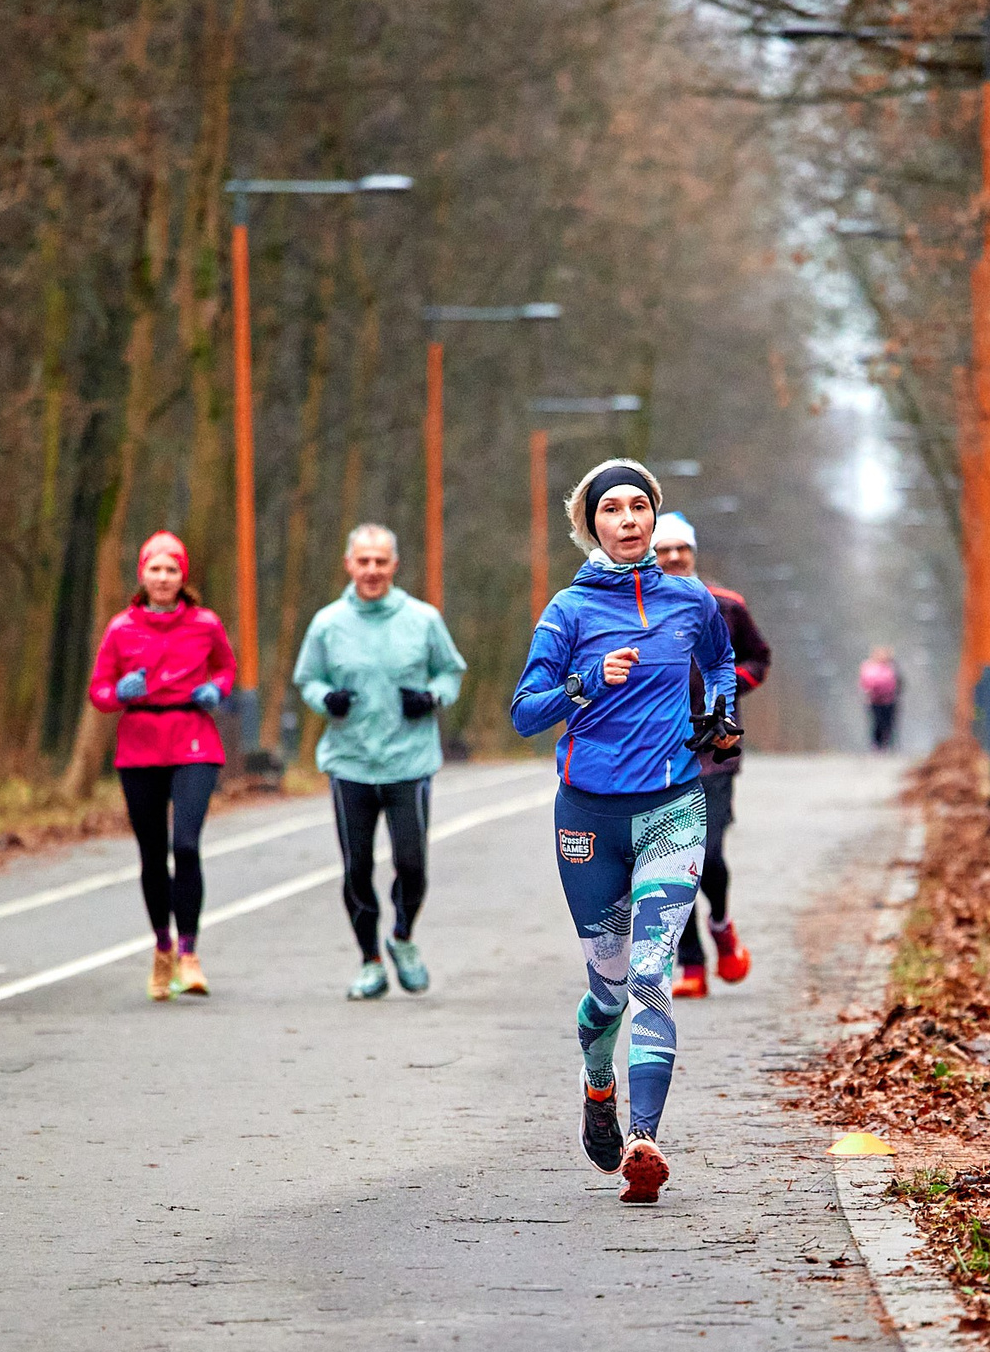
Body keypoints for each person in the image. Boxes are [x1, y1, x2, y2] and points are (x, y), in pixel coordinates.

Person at [512, 460, 739, 1206]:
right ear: (592, 523)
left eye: (641, 505)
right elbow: (525, 711)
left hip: (674, 805)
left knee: (650, 973)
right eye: (613, 507)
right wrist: (586, 684)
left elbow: (721, 661)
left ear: (654, 516)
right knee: (607, 990)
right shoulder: (567, 613)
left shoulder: (692, 600)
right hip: (589, 818)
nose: (630, 518)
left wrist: (719, 714)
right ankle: (598, 1085)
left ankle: (645, 1137)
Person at [295, 524, 467, 1000]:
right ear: (349, 564)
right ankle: (370, 960)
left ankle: (403, 938)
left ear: (394, 565)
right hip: (349, 762)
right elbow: (307, 678)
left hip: (407, 762)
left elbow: (451, 671)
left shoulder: (423, 619)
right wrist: (324, 699)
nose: (371, 570)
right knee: (356, 868)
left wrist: (432, 697)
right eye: (363, 561)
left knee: (411, 864)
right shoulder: (328, 623)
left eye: (380, 561)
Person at [88, 530, 238, 1000]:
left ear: (182, 576)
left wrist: (217, 690)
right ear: (142, 574)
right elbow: (99, 691)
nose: (163, 577)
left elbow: (226, 667)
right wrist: (120, 694)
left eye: (171, 569)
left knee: (186, 846)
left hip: (193, 737)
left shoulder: (205, 624)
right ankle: (162, 948)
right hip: (140, 743)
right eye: (155, 568)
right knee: (153, 854)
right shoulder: (121, 629)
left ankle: (190, 953)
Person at [650, 513, 770, 1000]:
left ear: (693, 553)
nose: (673, 557)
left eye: (681, 549)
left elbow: (760, 658)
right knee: (670, 864)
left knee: (709, 855)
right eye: (663, 550)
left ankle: (721, 924)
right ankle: (692, 963)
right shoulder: (637, 610)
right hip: (657, 754)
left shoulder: (726, 605)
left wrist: (730, 687)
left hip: (715, 752)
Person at [861, 646, 902, 752]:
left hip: (890, 699)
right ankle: (877, 745)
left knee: (889, 722)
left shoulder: (892, 667)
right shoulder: (869, 667)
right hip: (874, 700)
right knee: (877, 722)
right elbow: (865, 682)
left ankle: (889, 745)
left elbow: (898, 681)